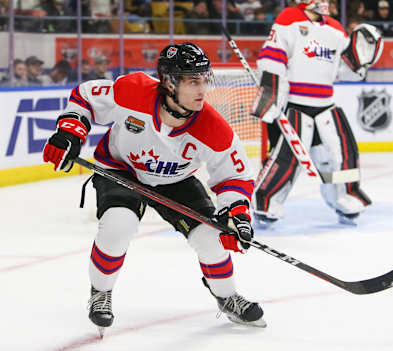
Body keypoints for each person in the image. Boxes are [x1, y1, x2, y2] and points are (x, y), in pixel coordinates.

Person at [42, 42, 266, 335]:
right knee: (117, 226)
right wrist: (71, 130)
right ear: (170, 82)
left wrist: (236, 214)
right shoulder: (133, 90)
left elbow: (234, 177)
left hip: (176, 180)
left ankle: (226, 296)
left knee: (212, 239)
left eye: (204, 79)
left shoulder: (213, 128)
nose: (202, 90)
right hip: (121, 168)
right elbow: (86, 96)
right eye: (192, 81)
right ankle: (100, 292)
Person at [251, 0, 383, 226]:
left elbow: (344, 69)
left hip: (326, 106)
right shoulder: (289, 18)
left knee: (341, 156)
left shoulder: (335, 28)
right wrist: (271, 95)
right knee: (287, 159)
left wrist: (359, 64)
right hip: (294, 106)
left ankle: (346, 196)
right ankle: (266, 201)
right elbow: (273, 57)